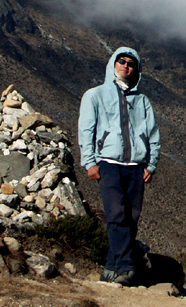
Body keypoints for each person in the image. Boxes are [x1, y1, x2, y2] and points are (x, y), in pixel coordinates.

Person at [78, 47, 160, 285]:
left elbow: (153, 134)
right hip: (109, 165)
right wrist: (89, 162)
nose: (125, 66)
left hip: (136, 167)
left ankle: (112, 269)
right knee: (116, 214)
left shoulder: (142, 100)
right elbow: (86, 131)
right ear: (113, 64)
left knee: (131, 217)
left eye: (131, 63)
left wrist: (151, 165)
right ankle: (126, 266)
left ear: (137, 70)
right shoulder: (95, 95)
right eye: (121, 61)